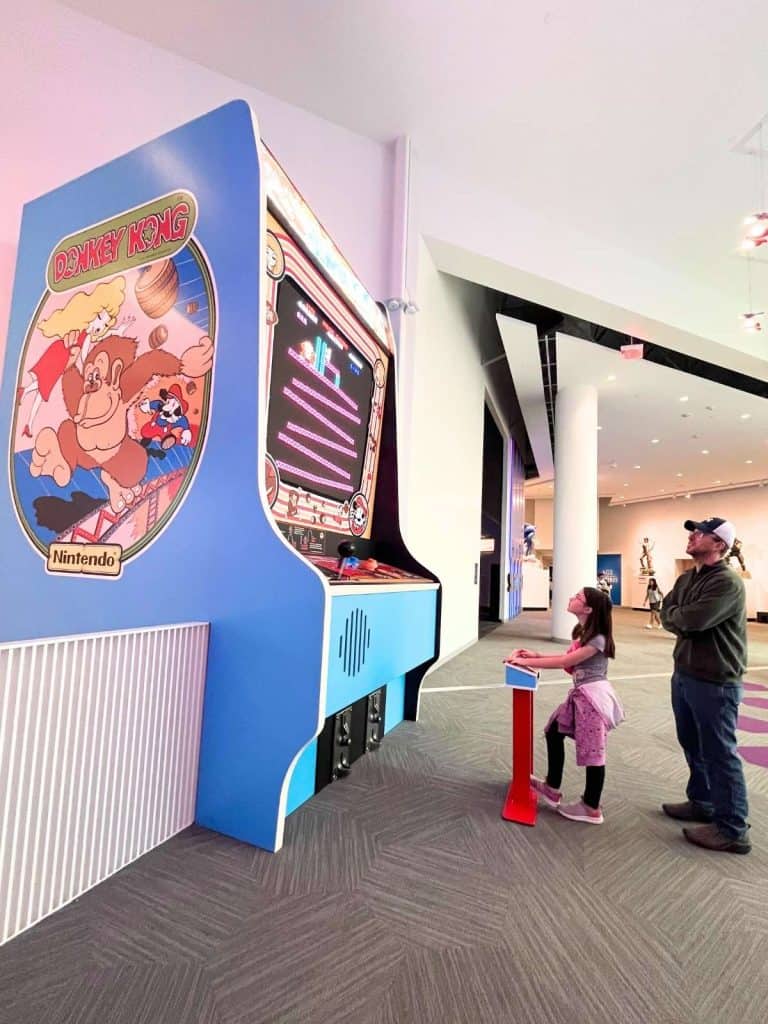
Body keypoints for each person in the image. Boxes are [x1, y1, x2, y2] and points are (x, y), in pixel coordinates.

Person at [660, 517, 750, 854]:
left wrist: (679, 617)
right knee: (692, 743)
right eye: (693, 532)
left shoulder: (727, 583)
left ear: (719, 544)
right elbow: (667, 610)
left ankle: (733, 829)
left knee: (719, 753)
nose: (693, 536)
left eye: (701, 533)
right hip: (685, 673)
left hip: (716, 681)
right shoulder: (687, 578)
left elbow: (693, 620)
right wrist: (679, 617)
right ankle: (703, 802)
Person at [505, 586, 624, 824]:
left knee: (593, 753)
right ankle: (551, 787)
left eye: (578, 597)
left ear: (588, 609)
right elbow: (566, 659)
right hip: (581, 695)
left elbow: (564, 662)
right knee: (554, 731)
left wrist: (524, 661)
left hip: (593, 700)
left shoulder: (598, 639)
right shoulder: (583, 632)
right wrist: (534, 655)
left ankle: (591, 807)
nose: (572, 598)